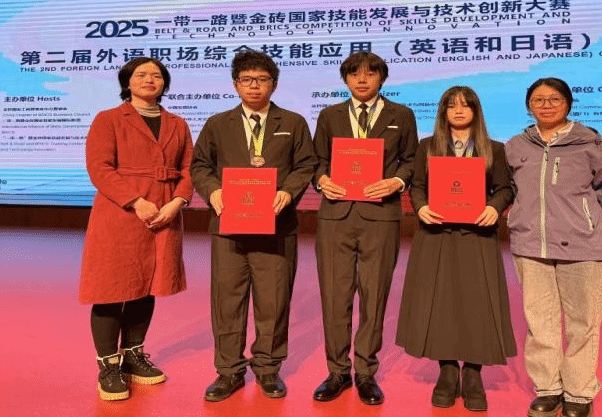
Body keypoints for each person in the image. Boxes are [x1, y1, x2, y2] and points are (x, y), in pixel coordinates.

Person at [191, 50, 317, 402]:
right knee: (227, 301)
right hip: (228, 227)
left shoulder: (293, 122)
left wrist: (288, 192)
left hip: (277, 226)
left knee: (273, 301)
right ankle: (228, 370)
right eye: (247, 80)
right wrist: (213, 191)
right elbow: (200, 166)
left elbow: (305, 165)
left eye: (261, 79)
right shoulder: (218, 123)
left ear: (274, 84)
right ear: (235, 85)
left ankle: (268, 368)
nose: (254, 86)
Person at [78, 57, 194, 401]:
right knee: (111, 288)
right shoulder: (109, 119)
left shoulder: (178, 123)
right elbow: (99, 168)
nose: (149, 79)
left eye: (156, 75)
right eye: (141, 74)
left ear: (165, 83)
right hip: (120, 213)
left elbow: (189, 168)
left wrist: (178, 202)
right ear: (127, 82)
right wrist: (136, 201)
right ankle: (108, 365)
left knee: (148, 285)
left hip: (165, 213)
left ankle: (133, 355)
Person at [396, 86, 516, 411]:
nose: (459, 111)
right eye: (452, 106)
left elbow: (505, 188)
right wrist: (420, 207)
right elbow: (417, 187)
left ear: (476, 111)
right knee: (440, 303)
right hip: (436, 234)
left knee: (478, 303)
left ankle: (473, 374)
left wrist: (494, 207)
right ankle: (447, 371)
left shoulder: (494, 149)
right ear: (443, 112)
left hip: (478, 235)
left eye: (465, 105)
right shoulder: (427, 147)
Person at [312, 51, 418, 406]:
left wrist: (396, 182)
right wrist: (322, 180)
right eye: (354, 74)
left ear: (381, 78)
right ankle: (337, 371)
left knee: (375, 295)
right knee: (335, 296)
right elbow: (317, 161)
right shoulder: (329, 116)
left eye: (370, 74)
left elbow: (411, 161)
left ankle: (366, 372)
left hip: (381, 215)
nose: (362, 79)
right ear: (345, 79)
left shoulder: (401, 115)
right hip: (336, 216)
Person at [504, 78, 602, 417]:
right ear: (529, 106)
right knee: (540, 322)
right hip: (530, 244)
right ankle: (548, 388)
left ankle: (579, 392)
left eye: (554, 99)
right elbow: (511, 189)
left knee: (583, 323)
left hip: (583, 245)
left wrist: (586, 222)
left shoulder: (591, 144)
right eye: (538, 100)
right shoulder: (516, 146)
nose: (547, 105)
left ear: (568, 103)